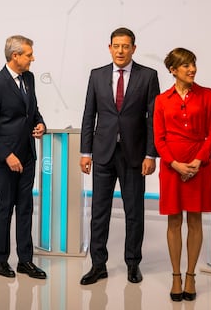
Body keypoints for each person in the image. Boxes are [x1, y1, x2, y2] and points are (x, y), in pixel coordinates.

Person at [79, 27, 160, 285]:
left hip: (135, 156)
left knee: (134, 211)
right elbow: (89, 115)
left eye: (126, 46)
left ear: (134, 48)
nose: (121, 51)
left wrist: (151, 154)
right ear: (109, 47)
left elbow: (153, 120)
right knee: (99, 212)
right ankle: (98, 264)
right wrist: (85, 152)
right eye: (116, 46)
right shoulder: (97, 75)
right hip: (103, 154)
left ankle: (133, 264)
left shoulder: (148, 76)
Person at [0, 35, 47, 279]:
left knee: (26, 207)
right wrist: (7, 155)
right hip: (4, 159)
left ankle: (25, 261)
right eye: (29, 54)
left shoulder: (28, 78)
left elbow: (33, 110)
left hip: (27, 154)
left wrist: (40, 124)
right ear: (15, 56)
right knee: (5, 208)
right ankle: (0, 260)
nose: (33, 58)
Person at [153, 48, 211, 302]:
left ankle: (191, 276)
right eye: (186, 65)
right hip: (172, 169)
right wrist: (175, 164)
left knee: (195, 221)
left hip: (199, 166)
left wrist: (198, 161)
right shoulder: (161, 100)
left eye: (193, 64)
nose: (192, 69)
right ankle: (176, 276)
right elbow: (159, 138)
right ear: (173, 70)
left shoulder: (208, 95)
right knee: (174, 222)